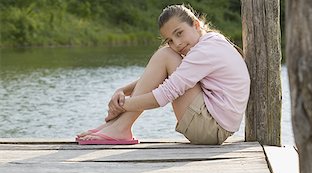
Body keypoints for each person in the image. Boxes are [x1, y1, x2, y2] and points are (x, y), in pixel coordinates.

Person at [76, 4, 250, 145]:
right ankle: (116, 126)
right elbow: (164, 78)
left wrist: (123, 105)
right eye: (171, 40)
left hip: (211, 128)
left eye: (179, 33)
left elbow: (165, 94)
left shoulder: (205, 50)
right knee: (167, 55)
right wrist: (123, 90)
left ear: (196, 24)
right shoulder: (209, 43)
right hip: (214, 127)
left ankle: (120, 127)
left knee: (166, 55)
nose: (177, 43)